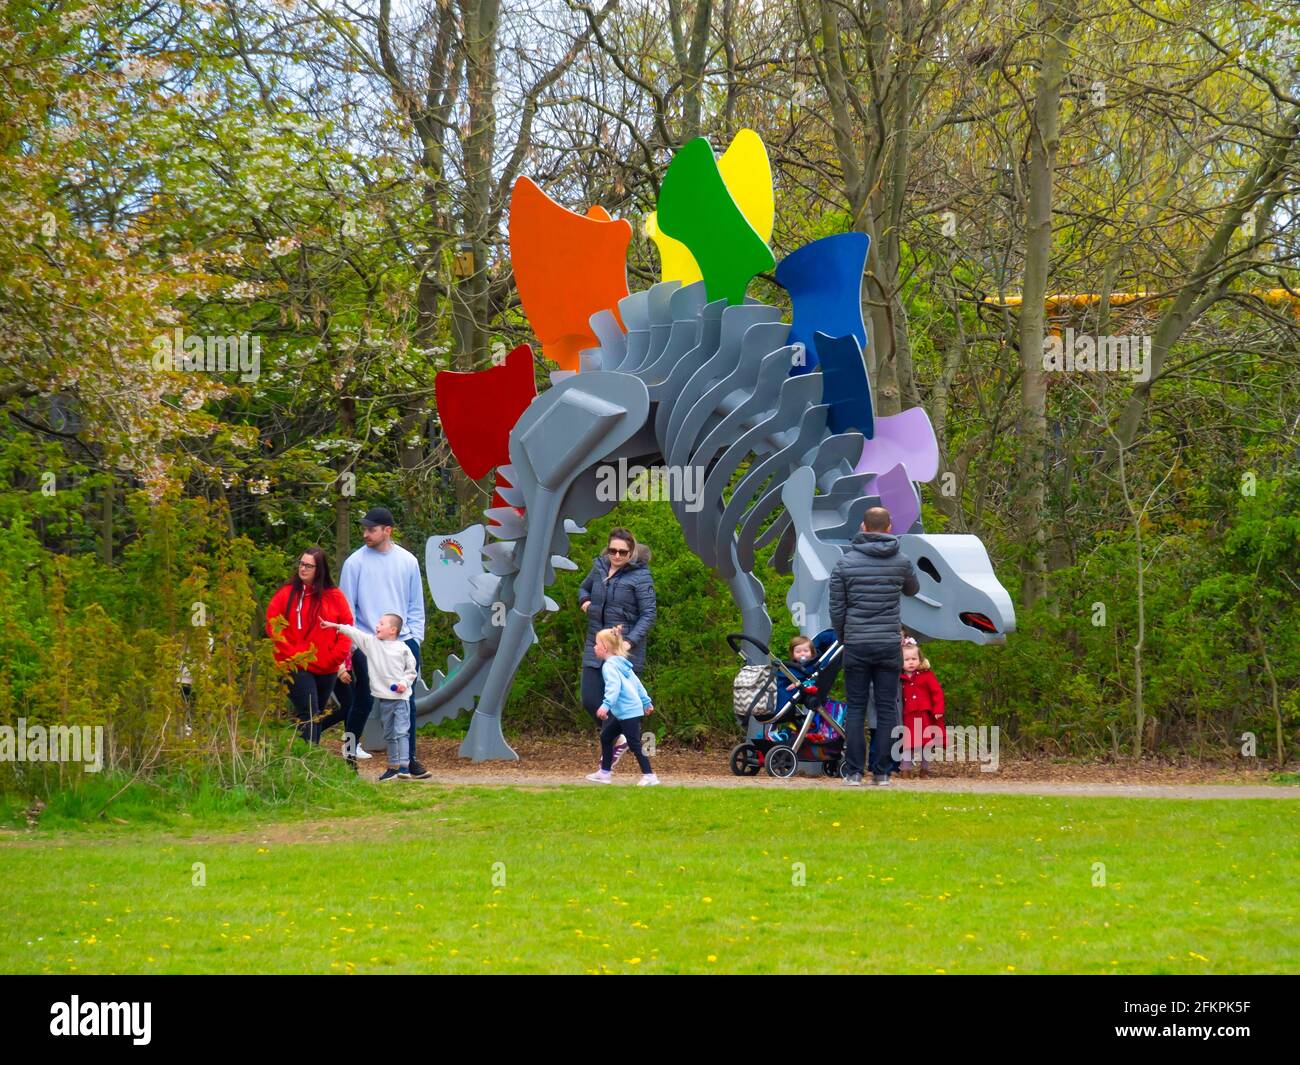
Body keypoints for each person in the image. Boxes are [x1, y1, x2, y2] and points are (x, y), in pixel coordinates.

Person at [829, 506, 919, 787]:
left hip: (856, 642)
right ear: (890, 527)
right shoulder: (901, 561)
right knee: (887, 708)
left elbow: (836, 608)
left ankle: (854, 772)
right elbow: (912, 589)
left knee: (855, 707)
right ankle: (882, 772)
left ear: (863, 527)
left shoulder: (845, 563)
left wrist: (844, 635)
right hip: (888, 645)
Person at [337, 507, 430, 778]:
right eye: (364, 529)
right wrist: (355, 645)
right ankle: (349, 755)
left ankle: (408, 760)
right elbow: (347, 608)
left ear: (387, 530)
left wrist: (415, 638)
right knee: (363, 700)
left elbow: (415, 604)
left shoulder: (408, 561)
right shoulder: (355, 563)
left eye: (371, 529)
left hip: (403, 641)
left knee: (405, 701)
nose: (366, 534)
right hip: (368, 641)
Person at [578, 527, 656, 767]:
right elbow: (583, 588)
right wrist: (585, 602)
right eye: (613, 550)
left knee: (620, 703)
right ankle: (618, 737)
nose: (617, 556)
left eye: (623, 552)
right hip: (597, 644)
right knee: (590, 700)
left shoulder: (640, 576)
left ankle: (622, 749)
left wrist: (630, 641)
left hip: (623, 652)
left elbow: (649, 614)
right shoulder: (600, 568)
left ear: (631, 552)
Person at [264, 547, 354, 743]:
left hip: (327, 666)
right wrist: (292, 655)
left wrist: (336, 656)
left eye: (308, 566)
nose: (302, 569)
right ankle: (308, 759)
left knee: (316, 715)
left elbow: (346, 627)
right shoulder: (286, 594)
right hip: (297, 665)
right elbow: (272, 625)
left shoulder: (335, 596)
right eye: (301, 564)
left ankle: (301, 757)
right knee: (310, 713)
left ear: (319, 569)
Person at [321, 614, 417, 781]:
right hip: (375, 693)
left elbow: (411, 671)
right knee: (382, 729)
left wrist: (403, 682)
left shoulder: (400, 648)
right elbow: (348, 633)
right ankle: (387, 765)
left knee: (398, 730)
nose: (376, 625)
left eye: (381, 623)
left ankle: (403, 766)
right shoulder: (371, 643)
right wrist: (333, 626)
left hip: (396, 695)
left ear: (393, 630)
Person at [584, 625, 660, 786]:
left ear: (604, 647)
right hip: (626, 711)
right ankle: (604, 773)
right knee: (606, 736)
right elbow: (636, 683)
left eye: (596, 644)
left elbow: (614, 687)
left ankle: (649, 776)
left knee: (634, 743)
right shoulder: (622, 663)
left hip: (628, 711)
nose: (594, 647)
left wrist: (605, 706)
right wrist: (646, 701)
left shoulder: (609, 666)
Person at [899, 638, 945, 777]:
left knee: (927, 743)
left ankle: (925, 769)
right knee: (908, 743)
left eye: (914, 658)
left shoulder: (927, 675)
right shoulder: (899, 678)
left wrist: (938, 709)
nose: (911, 662)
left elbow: (937, 692)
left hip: (925, 715)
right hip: (908, 715)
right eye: (907, 659)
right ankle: (905, 769)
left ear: (920, 659)